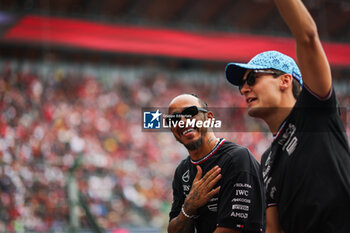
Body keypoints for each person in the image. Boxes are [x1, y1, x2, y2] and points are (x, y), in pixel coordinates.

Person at [224, 0, 350, 232]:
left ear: (285, 80)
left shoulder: (314, 112)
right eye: (241, 84)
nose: (243, 89)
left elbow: (307, 36)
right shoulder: (267, 161)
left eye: (252, 79)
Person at [167, 94, 265, 233]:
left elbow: (232, 229)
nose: (182, 121)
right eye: (174, 119)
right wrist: (189, 207)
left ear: (209, 118)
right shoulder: (182, 171)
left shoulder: (237, 159)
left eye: (190, 113)